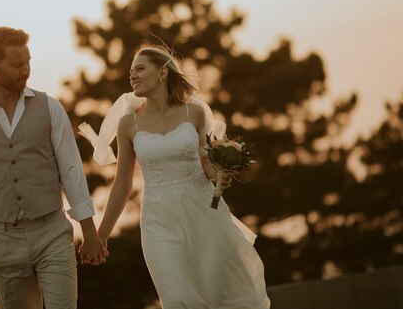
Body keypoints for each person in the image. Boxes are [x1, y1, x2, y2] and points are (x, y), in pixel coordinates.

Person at [79, 44, 271, 308]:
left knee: (216, 296)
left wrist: (220, 174)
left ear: (162, 73)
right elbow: (122, 184)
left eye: (140, 68)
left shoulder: (195, 112)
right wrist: (100, 236)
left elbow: (206, 163)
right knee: (177, 297)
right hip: (158, 220)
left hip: (203, 213)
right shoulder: (128, 124)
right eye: (131, 71)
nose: (132, 75)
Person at [0, 26, 107, 309]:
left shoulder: (50, 108)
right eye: (17, 65)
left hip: (52, 233)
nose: (26, 70)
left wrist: (89, 231)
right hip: (0, 239)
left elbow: (71, 170)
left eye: (28, 62)